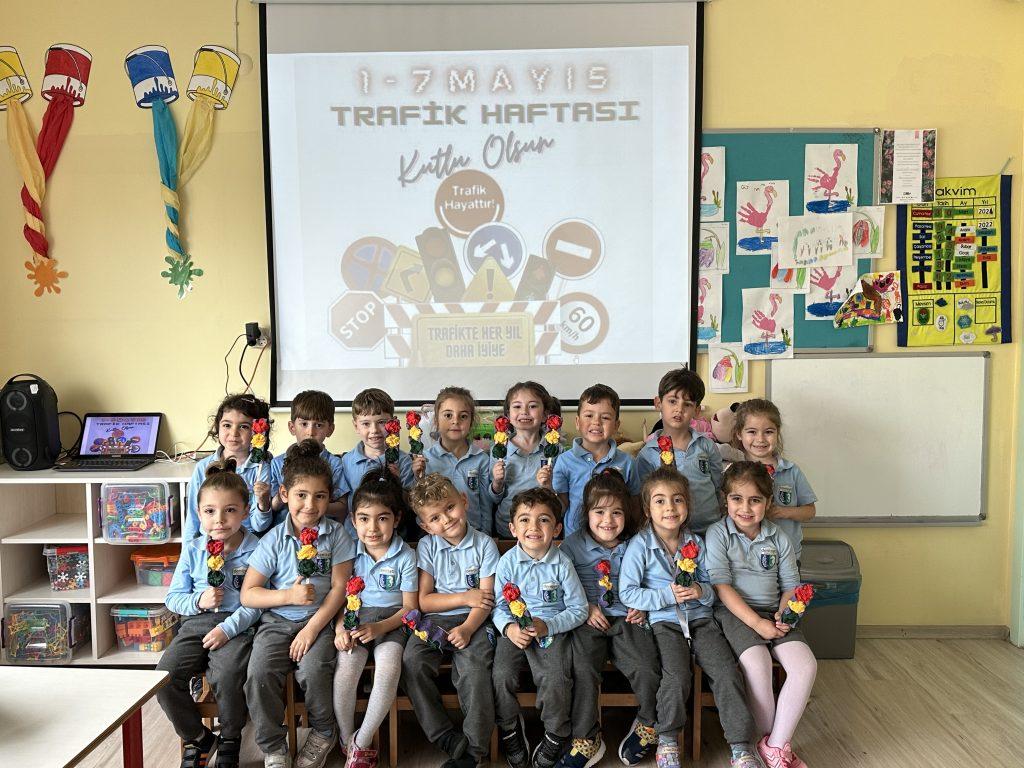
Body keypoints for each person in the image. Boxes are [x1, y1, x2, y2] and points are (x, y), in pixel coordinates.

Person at [620, 466, 761, 768]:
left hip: (701, 620)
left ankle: (741, 746)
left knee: (726, 671)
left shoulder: (696, 543)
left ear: (688, 505)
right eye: (660, 501)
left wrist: (700, 591)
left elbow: (713, 587)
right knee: (677, 675)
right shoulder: (639, 545)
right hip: (664, 623)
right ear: (647, 509)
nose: (670, 508)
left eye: (678, 499)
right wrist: (666, 596)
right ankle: (667, 739)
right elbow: (628, 594)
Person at [242, 440, 355, 768]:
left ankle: (323, 732)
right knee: (259, 673)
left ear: (329, 498)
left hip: (320, 621)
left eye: (320, 496)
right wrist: (287, 596)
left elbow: (340, 588)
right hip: (276, 622)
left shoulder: (337, 535)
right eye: (301, 495)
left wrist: (311, 629)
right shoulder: (273, 540)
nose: (310, 505)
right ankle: (273, 745)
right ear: (285, 494)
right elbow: (249, 593)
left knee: (315, 670)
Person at [707, 461, 817, 768]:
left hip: (774, 611)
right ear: (725, 500)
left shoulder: (778, 537)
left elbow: (790, 586)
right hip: (736, 613)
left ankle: (775, 745)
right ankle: (772, 741)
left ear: (768, 503)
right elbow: (722, 587)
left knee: (805, 665)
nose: (745, 508)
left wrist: (784, 615)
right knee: (758, 664)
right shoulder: (717, 534)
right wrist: (757, 623)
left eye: (754, 500)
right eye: (737, 499)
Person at [157, 459, 262, 768]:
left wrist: (227, 629)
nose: (220, 520)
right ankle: (199, 737)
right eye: (210, 511)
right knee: (164, 679)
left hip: (237, 626)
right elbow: (173, 598)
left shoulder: (256, 549)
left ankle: (230, 737)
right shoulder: (193, 549)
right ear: (199, 513)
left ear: (245, 511)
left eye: (230, 510)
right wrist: (198, 601)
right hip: (196, 624)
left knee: (227, 676)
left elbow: (257, 603)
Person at [558, 469, 660, 768]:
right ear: (586, 513)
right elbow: (561, 585)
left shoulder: (636, 544)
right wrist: (586, 607)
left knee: (647, 666)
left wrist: (643, 605)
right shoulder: (572, 545)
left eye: (616, 512)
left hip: (628, 618)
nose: (608, 520)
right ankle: (587, 737)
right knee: (582, 668)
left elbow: (652, 579)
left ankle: (648, 724)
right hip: (588, 619)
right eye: (599, 512)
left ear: (626, 515)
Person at [403, 473, 500, 768]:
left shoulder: (484, 544)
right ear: (425, 526)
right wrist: (464, 597)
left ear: (464, 500)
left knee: (474, 671)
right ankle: (444, 736)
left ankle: (474, 751)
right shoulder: (427, 547)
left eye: (450, 507)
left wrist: (468, 628)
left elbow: (486, 600)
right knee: (412, 661)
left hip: (476, 621)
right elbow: (424, 601)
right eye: (435, 517)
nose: (446, 520)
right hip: (436, 619)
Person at [492, 488, 588, 768]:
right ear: (512, 528)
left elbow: (579, 609)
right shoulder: (507, 563)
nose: (533, 527)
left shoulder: (562, 564)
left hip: (550, 629)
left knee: (556, 678)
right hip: (515, 630)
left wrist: (549, 625)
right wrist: (508, 628)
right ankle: (510, 728)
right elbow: (498, 607)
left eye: (543, 520)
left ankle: (556, 732)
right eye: (524, 519)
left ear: (556, 529)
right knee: (501, 674)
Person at [333, 467, 418, 768]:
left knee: (389, 666)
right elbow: (339, 598)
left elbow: (410, 609)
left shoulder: (405, 556)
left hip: (393, 622)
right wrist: (340, 628)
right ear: (353, 519)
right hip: (356, 619)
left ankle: (362, 742)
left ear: (396, 519)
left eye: (382, 518)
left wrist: (380, 627)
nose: (372, 528)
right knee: (347, 667)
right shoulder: (348, 552)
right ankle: (346, 738)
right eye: (364, 519)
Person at [636, 369, 723, 535]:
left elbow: (718, 485)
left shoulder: (706, 445)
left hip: (709, 530)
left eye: (687, 404)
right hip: (669, 534)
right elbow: (644, 498)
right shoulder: (648, 454)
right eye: (672, 401)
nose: (679, 409)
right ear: (658, 403)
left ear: (697, 410)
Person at [549, 384, 639, 537]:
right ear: (577, 422)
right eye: (589, 416)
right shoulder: (564, 461)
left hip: (614, 540)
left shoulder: (627, 462)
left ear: (616, 425)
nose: (596, 422)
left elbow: (634, 505)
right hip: (576, 540)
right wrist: (548, 487)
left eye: (605, 417)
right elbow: (562, 507)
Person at [733, 398, 817, 562]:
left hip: (786, 557)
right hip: (745, 559)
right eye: (752, 432)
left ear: (777, 433)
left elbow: (810, 511)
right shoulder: (732, 471)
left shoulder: (791, 471)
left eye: (768, 432)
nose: (760, 439)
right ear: (739, 434)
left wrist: (783, 512)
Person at [185, 393, 273, 539]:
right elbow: (193, 518)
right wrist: (188, 550)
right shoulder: (203, 467)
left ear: (257, 432)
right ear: (218, 427)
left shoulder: (261, 468)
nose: (234, 433)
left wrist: (263, 504)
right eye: (227, 425)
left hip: (244, 542)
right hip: (210, 540)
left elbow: (259, 525)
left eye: (244, 426)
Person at [414, 386, 493, 535]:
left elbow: (486, 503)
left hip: (474, 536)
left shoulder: (481, 459)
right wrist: (417, 478)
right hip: (438, 538)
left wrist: (486, 534)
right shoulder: (424, 460)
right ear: (436, 420)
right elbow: (420, 505)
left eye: (463, 416)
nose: (455, 421)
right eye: (448, 415)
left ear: (471, 421)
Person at [489, 381, 560, 538]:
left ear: (545, 415)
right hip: (507, 529)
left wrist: (548, 487)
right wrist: (497, 483)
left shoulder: (555, 451)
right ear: (508, 415)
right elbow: (493, 498)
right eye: (517, 406)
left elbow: (560, 500)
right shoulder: (499, 450)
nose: (524, 412)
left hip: (541, 531)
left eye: (533, 406)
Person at [268, 389, 348, 525]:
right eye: (304, 424)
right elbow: (271, 507)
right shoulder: (277, 463)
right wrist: (284, 497)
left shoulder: (335, 464)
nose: (311, 432)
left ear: (330, 429)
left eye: (319, 425)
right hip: (285, 533)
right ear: (292, 427)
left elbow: (342, 507)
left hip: (323, 532)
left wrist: (315, 506)